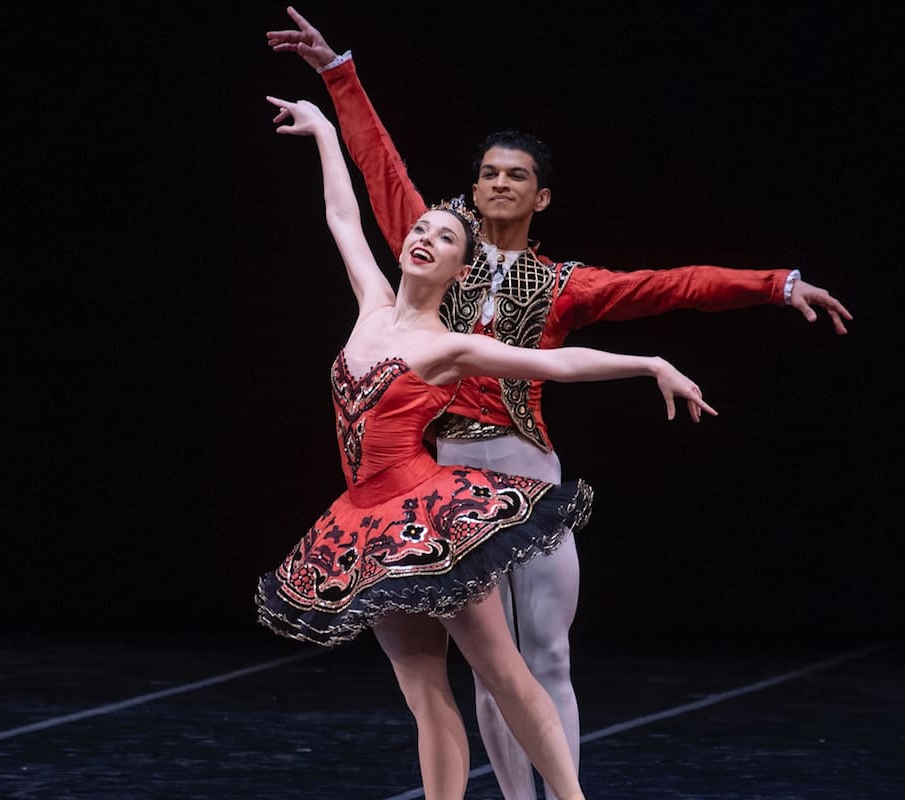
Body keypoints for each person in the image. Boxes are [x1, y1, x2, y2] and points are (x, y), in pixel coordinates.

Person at [267, 10, 854, 799]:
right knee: (479, 666)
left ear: (542, 197)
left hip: (521, 469)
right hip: (433, 470)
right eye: (487, 175)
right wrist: (337, 75)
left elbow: (669, 287)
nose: (497, 184)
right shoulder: (429, 247)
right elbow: (371, 179)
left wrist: (773, 285)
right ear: (468, 196)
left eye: (515, 176)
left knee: (541, 654)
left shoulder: (562, 282)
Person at [255, 95, 718, 800]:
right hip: (364, 524)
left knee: (503, 671)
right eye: (420, 229)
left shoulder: (454, 347)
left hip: (429, 518)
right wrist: (323, 128)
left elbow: (561, 365)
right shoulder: (372, 304)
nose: (422, 238)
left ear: (456, 271)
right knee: (423, 694)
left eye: (443, 239)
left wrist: (649, 365)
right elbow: (343, 216)